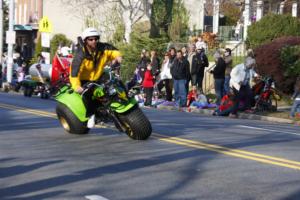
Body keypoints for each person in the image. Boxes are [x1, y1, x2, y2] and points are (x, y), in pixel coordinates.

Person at [70, 27, 122, 128]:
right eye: (91, 39)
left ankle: (124, 100)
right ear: (85, 41)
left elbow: (114, 51)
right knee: (88, 94)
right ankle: (91, 115)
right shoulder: (80, 54)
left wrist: (118, 57)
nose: (94, 41)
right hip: (84, 79)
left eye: (96, 39)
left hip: (98, 75)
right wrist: (77, 86)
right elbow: (74, 73)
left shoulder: (103, 48)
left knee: (115, 82)